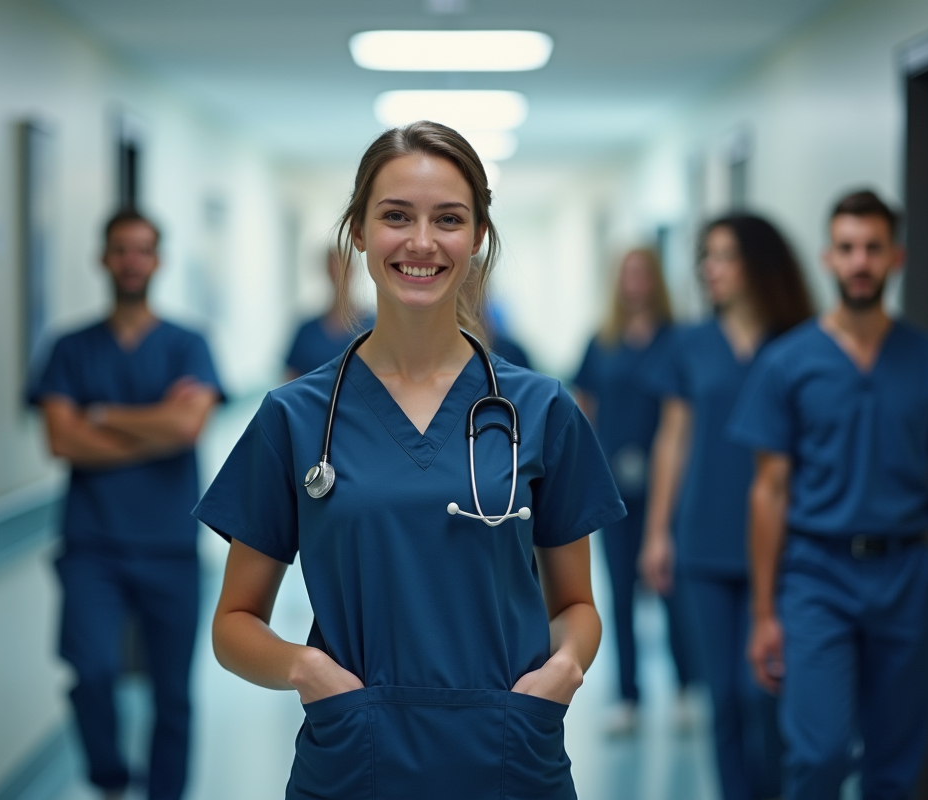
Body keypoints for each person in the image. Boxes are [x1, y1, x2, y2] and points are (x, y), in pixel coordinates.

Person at [194, 121, 625, 799]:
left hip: (511, 757)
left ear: (478, 236)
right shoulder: (296, 416)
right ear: (359, 230)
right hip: (353, 759)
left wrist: (563, 670)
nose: (422, 242)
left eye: (448, 219)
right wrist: (309, 671)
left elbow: (576, 604)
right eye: (397, 216)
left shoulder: (540, 410)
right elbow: (233, 625)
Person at [730, 190, 928, 800]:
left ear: (895, 257)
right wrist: (766, 612)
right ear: (828, 258)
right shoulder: (788, 363)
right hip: (816, 575)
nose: (860, 262)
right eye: (847, 248)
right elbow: (768, 492)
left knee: (896, 766)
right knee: (820, 755)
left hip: (906, 573)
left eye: (873, 248)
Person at [28, 208, 224, 800]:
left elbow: (188, 428)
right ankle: (110, 779)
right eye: (120, 249)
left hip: (171, 546)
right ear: (103, 258)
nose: (131, 261)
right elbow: (61, 440)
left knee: (172, 693)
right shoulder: (69, 348)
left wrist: (101, 413)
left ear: (158, 260)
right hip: (93, 546)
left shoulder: (189, 344)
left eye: (142, 250)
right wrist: (154, 425)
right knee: (91, 672)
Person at [641, 215, 812, 800]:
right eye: (705, 257)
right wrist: (658, 531)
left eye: (723, 256)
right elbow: (673, 438)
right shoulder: (691, 344)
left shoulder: (800, 341)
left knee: (762, 692)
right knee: (725, 702)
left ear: (759, 264)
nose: (709, 269)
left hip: (786, 545)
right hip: (705, 542)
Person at [572, 247, 697, 736]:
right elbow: (583, 412)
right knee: (620, 591)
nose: (636, 280)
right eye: (628, 271)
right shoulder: (600, 343)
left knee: (672, 589)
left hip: (668, 487)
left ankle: (688, 686)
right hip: (614, 490)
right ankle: (628, 696)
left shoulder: (677, 341)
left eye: (644, 270)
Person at [284, 247, 372, 380]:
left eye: (345, 267)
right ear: (327, 271)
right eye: (334, 266)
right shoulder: (307, 332)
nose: (339, 274)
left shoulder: (374, 326)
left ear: (354, 270)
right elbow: (289, 383)